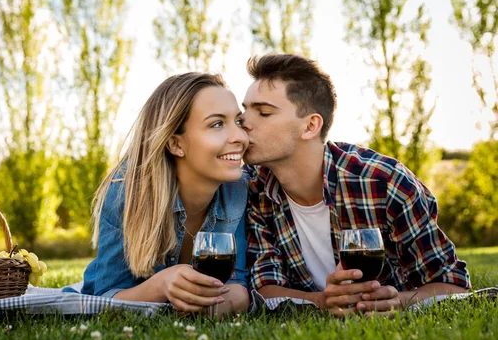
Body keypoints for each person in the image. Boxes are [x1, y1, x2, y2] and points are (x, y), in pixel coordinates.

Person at [241, 54, 471, 317]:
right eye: (245, 110)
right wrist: (324, 301)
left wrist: (399, 301)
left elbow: (453, 284)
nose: (243, 122)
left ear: (310, 125)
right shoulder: (254, 188)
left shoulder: (384, 181)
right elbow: (265, 288)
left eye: (263, 112)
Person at [80, 72, 250, 315]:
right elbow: (106, 296)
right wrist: (162, 285)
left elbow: (238, 284)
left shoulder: (237, 191)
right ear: (176, 144)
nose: (239, 137)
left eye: (239, 121)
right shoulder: (126, 193)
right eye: (217, 124)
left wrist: (211, 306)